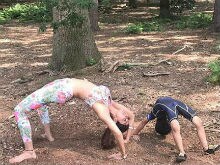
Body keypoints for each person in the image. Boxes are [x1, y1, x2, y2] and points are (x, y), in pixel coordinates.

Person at [9, 78, 135, 164]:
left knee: (19, 110)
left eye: (124, 120)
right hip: (62, 84)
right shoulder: (109, 101)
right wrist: (128, 133)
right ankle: (48, 134)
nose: (126, 115)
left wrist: (123, 154)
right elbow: (131, 114)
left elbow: (117, 133)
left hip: (62, 90)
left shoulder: (103, 110)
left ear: (115, 120)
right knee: (41, 104)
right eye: (126, 118)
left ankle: (29, 151)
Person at [132, 96, 220, 162]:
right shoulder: (160, 113)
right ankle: (183, 152)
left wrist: (135, 133)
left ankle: (205, 149)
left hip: (167, 102)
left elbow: (144, 121)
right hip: (174, 103)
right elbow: (144, 121)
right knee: (182, 125)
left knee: (196, 122)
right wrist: (135, 133)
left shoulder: (156, 111)